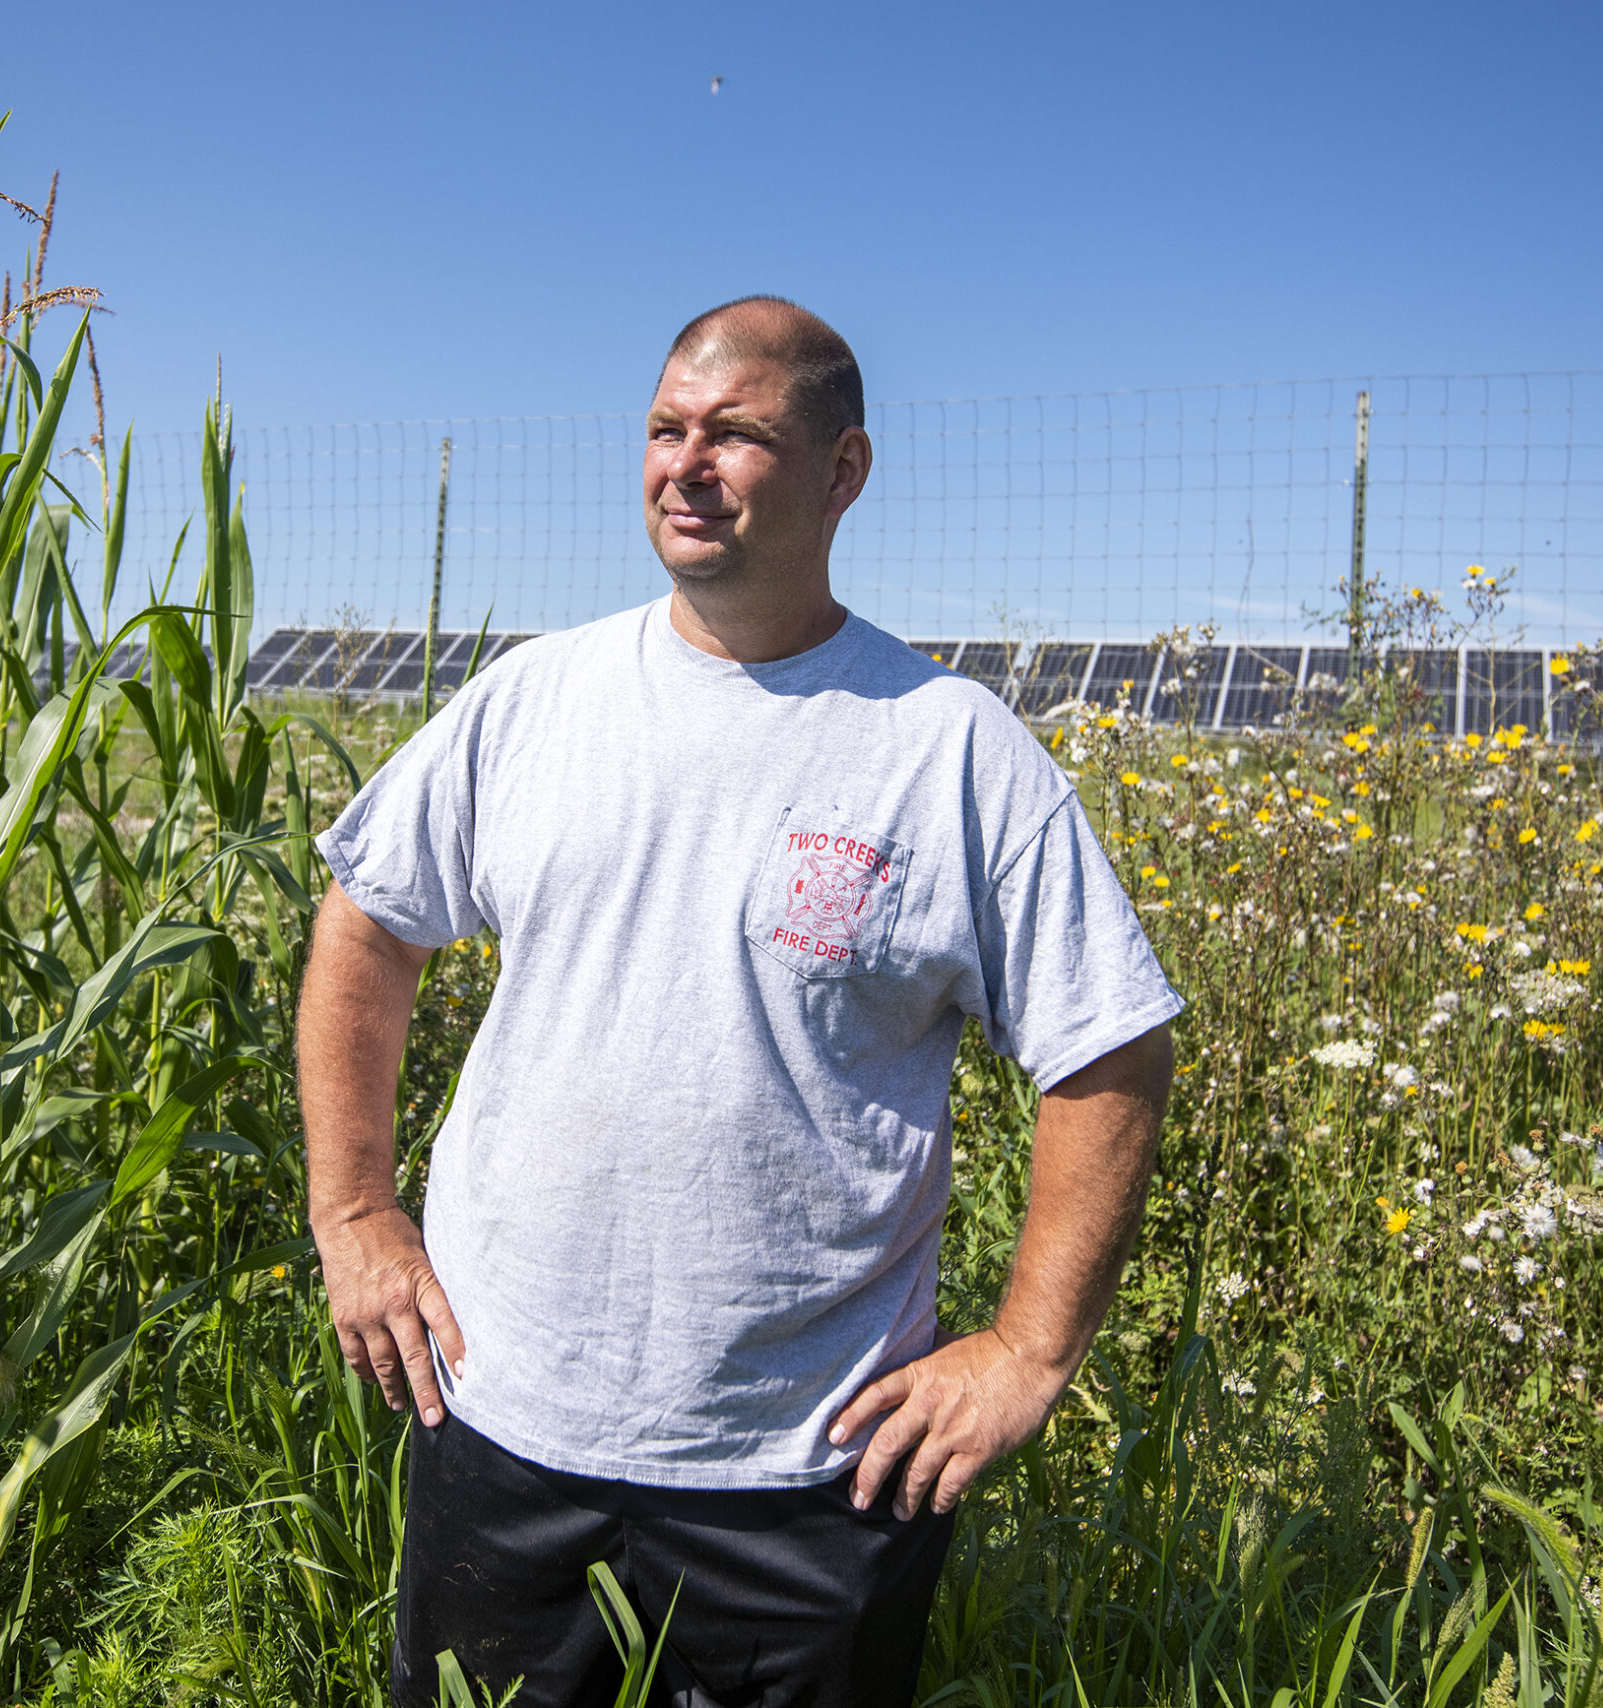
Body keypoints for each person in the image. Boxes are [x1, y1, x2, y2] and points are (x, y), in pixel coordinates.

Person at [300, 297, 1180, 1707]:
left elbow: (1113, 1045)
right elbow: (367, 921)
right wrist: (353, 1214)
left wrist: (1029, 1352)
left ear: (844, 472)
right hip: (503, 1414)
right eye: (666, 428)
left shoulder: (949, 750)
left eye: (739, 434)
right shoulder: (534, 702)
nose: (686, 464)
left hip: (814, 1471)